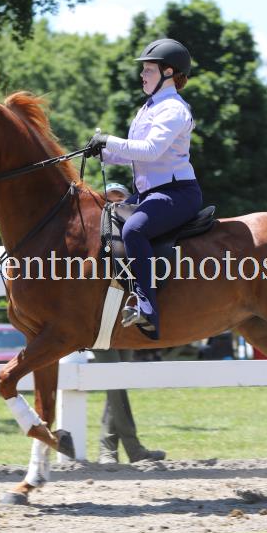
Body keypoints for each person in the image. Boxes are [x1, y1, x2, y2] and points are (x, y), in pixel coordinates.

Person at [86, 38, 202, 340]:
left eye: (148, 70)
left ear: (168, 72)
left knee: (134, 230)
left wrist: (109, 140)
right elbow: (134, 154)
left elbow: (150, 150)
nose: (142, 75)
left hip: (177, 193)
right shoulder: (149, 108)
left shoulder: (173, 109)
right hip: (150, 193)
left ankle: (148, 309)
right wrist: (103, 153)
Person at [95, 182, 166, 464]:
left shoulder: (134, 241)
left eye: (120, 199)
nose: (115, 204)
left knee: (118, 385)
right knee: (115, 384)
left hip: (123, 320)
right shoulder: (99, 240)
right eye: (109, 199)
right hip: (99, 321)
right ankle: (130, 450)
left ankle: (109, 449)